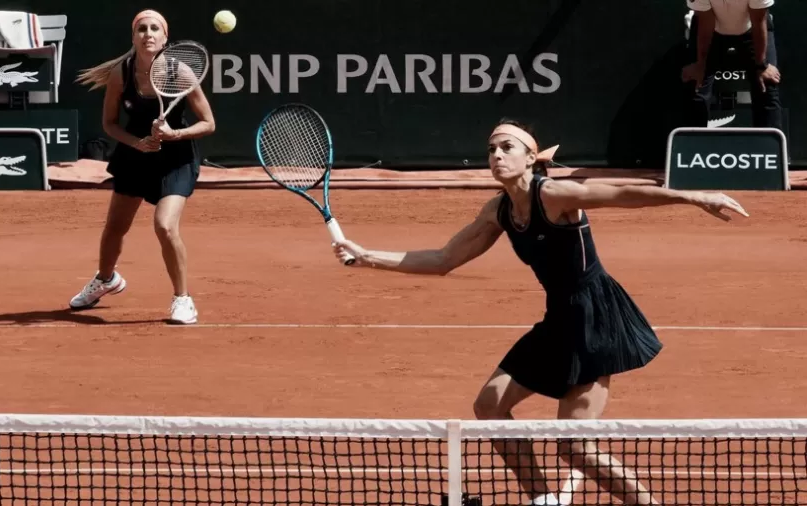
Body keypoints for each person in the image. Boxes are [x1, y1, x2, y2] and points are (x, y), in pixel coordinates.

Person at [332, 119, 749, 505]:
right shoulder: (497, 211)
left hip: (594, 317)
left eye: (507, 147)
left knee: (574, 448)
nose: (496, 155)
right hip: (558, 318)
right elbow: (443, 259)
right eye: (491, 149)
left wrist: (692, 195)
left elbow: (620, 194)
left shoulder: (552, 194)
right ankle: (543, 500)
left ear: (530, 157)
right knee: (490, 406)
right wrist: (366, 255)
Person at [70, 9, 216, 324]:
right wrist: (135, 142)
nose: (148, 34)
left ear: (165, 38)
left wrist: (174, 134)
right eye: (141, 29)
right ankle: (106, 279)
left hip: (175, 159)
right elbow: (109, 124)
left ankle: (183, 299)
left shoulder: (182, 73)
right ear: (134, 37)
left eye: (154, 29)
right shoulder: (121, 74)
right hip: (135, 157)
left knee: (164, 225)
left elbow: (208, 123)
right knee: (115, 228)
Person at [682, 0, 782, 130]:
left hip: (752, 28)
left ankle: (769, 147)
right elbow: (706, 24)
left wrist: (762, 66)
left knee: (767, 86)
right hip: (710, 31)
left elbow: (758, 21)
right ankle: (691, 146)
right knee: (697, 86)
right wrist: (700, 65)